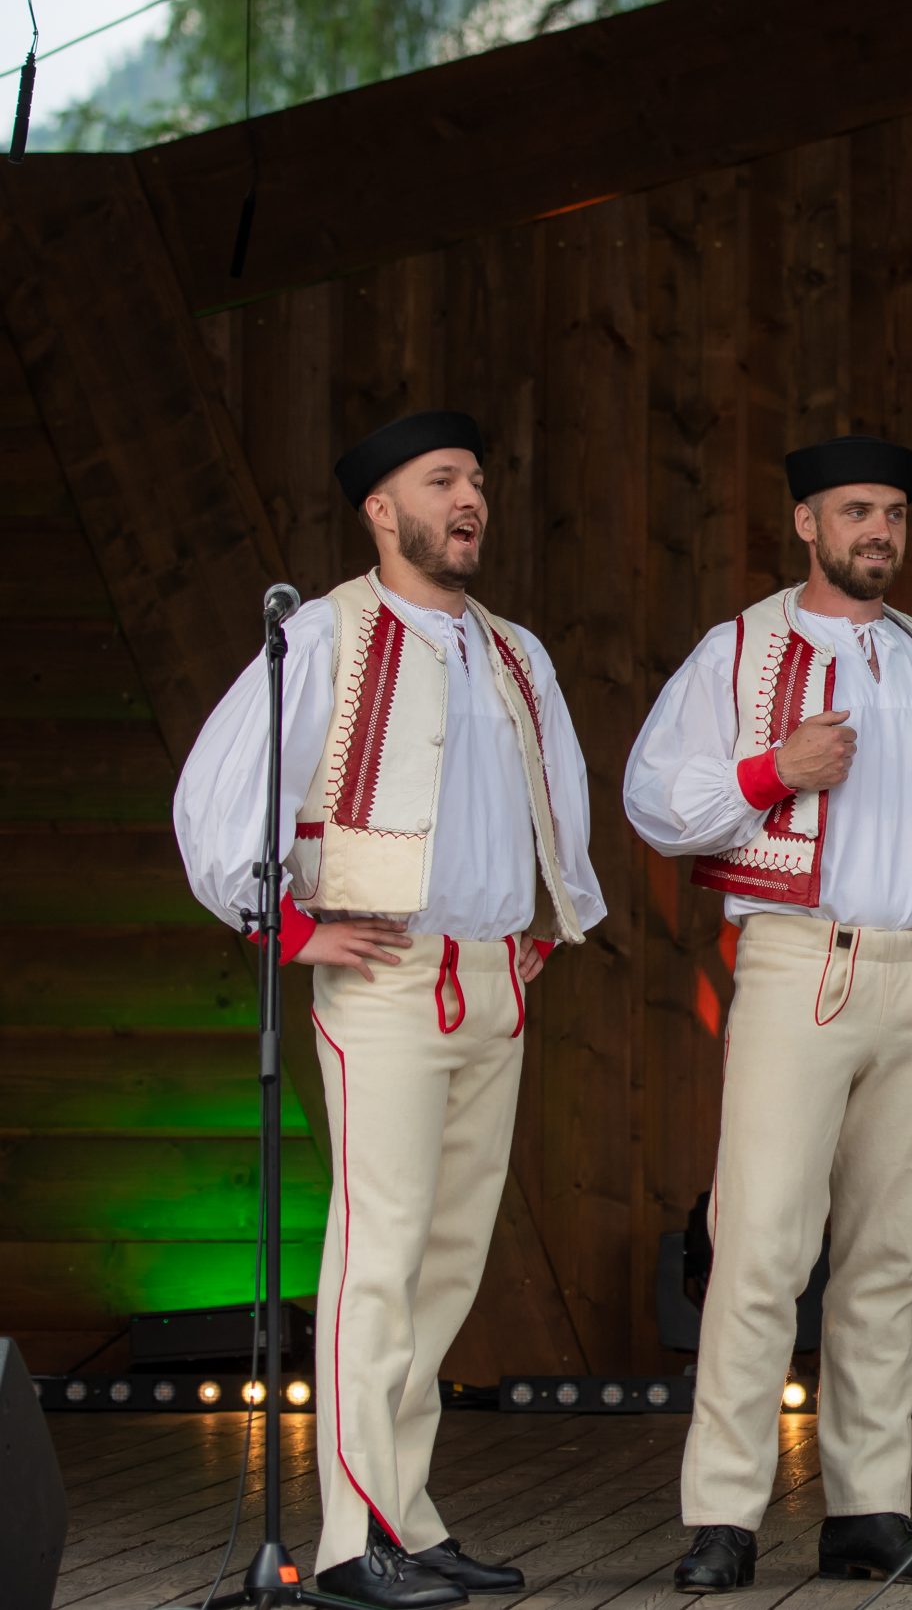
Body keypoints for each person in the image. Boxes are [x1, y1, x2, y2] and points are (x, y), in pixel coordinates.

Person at [174, 410, 607, 1608]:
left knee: (447, 1264)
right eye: (441, 481)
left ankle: (405, 1517)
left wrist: (548, 916)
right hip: (385, 979)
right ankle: (352, 1541)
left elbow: (554, 790)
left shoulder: (514, 651)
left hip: (490, 977)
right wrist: (289, 929)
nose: (470, 499)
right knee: (379, 1258)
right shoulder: (324, 635)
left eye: (477, 481)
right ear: (381, 510)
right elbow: (218, 800)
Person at [625, 435, 912, 1594]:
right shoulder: (739, 649)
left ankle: (869, 1509)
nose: (879, 531)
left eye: (893, 513)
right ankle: (723, 1514)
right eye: (856, 510)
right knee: (760, 1247)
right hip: (799, 965)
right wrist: (773, 771)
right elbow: (656, 799)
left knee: (888, 1256)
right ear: (806, 523)